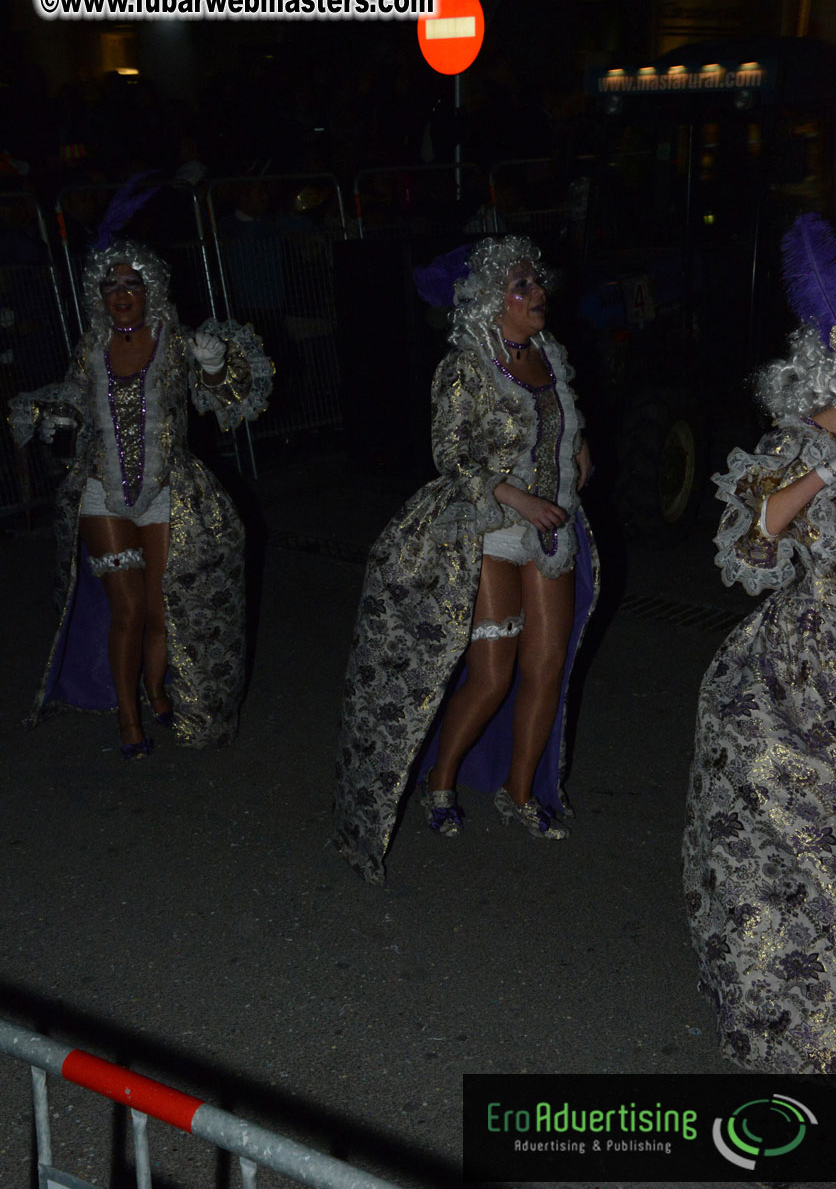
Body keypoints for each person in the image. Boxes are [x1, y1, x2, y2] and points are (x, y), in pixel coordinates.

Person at [334, 235, 599, 884]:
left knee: (547, 667)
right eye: (521, 285)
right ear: (490, 300)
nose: (538, 293)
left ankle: (519, 790)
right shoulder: (464, 366)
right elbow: (451, 457)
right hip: (485, 529)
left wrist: (577, 451)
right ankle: (441, 780)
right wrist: (516, 496)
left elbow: (563, 424)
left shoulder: (549, 353)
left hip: (550, 530)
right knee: (492, 676)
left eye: (536, 281)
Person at [9, 237, 273, 755]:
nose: (121, 294)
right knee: (127, 610)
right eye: (111, 285)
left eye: (132, 284)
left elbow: (229, 400)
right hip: (101, 494)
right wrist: (55, 416)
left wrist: (214, 366)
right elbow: (74, 398)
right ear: (99, 294)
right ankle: (129, 721)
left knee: (159, 609)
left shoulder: (176, 343)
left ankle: (156, 689)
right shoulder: (91, 347)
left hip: (165, 492)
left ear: (151, 289)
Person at [683, 212, 836, 1073]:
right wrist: (825, 468)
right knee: (780, 882)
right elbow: (749, 545)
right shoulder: (797, 441)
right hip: (790, 689)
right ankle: (788, 1060)